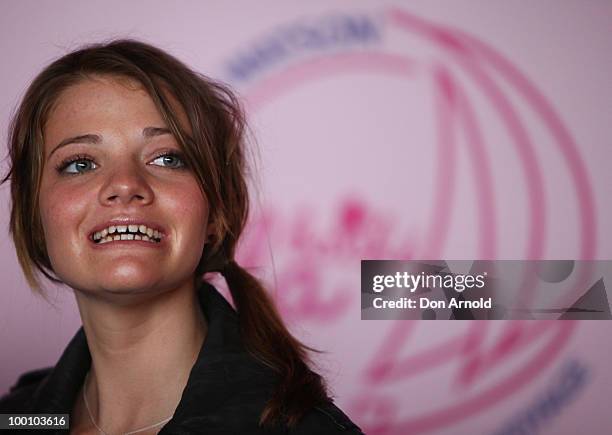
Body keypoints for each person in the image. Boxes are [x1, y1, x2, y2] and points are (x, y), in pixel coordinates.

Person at [0, 39, 364, 435]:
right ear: (34, 217)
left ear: (215, 214)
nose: (124, 184)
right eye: (80, 164)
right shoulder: (17, 418)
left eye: (167, 158)